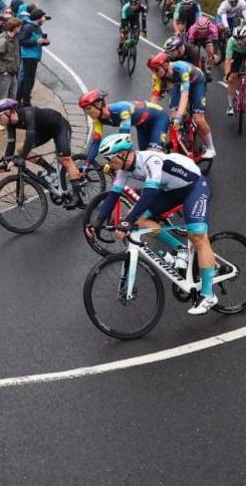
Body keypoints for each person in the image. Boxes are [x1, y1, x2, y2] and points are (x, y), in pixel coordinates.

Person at [94, 133, 219, 315]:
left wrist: (126, 222)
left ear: (122, 154)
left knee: (198, 234)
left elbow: (150, 194)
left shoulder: (151, 160)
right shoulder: (123, 170)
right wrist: (96, 223)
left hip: (194, 187)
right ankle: (180, 249)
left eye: (109, 158)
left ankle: (208, 295)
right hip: (170, 191)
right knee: (140, 219)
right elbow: (113, 195)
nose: (108, 163)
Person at [0, 98, 86, 205]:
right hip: (44, 132)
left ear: (8, 112)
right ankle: (51, 170)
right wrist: (6, 161)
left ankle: (77, 196)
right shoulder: (10, 124)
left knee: (64, 160)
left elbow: (30, 138)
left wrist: (21, 158)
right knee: (21, 149)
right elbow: (11, 144)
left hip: (59, 127)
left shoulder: (28, 114)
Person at [149, 53, 215, 159]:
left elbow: (184, 96)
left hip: (197, 82)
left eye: (156, 70)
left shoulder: (181, 69)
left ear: (165, 66)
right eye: (153, 70)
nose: (154, 73)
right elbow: (154, 98)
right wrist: (149, 116)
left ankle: (211, 148)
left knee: (198, 119)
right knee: (173, 115)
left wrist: (179, 117)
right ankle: (179, 139)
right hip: (179, 83)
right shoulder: (157, 75)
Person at [79, 90, 170, 160]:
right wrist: (87, 164)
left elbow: (124, 136)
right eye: (85, 110)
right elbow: (95, 143)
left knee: (152, 154)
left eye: (88, 108)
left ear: (98, 105)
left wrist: (116, 158)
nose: (87, 113)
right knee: (144, 156)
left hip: (158, 118)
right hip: (141, 125)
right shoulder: (98, 121)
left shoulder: (121, 109)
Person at [15, 7, 51, 107]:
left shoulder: (37, 27)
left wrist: (45, 42)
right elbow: (21, 41)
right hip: (29, 56)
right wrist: (36, 41)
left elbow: (38, 40)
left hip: (34, 56)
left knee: (28, 79)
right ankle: (25, 101)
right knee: (28, 80)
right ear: (38, 18)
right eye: (43, 17)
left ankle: (20, 99)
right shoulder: (28, 27)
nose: (44, 20)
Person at [0, 17, 21, 103]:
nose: (20, 28)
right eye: (19, 27)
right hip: (4, 75)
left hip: (13, 72)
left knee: (12, 97)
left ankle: (8, 114)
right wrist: (3, 70)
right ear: (14, 28)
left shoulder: (15, 38)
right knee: (2, 98)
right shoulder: (3, 41)